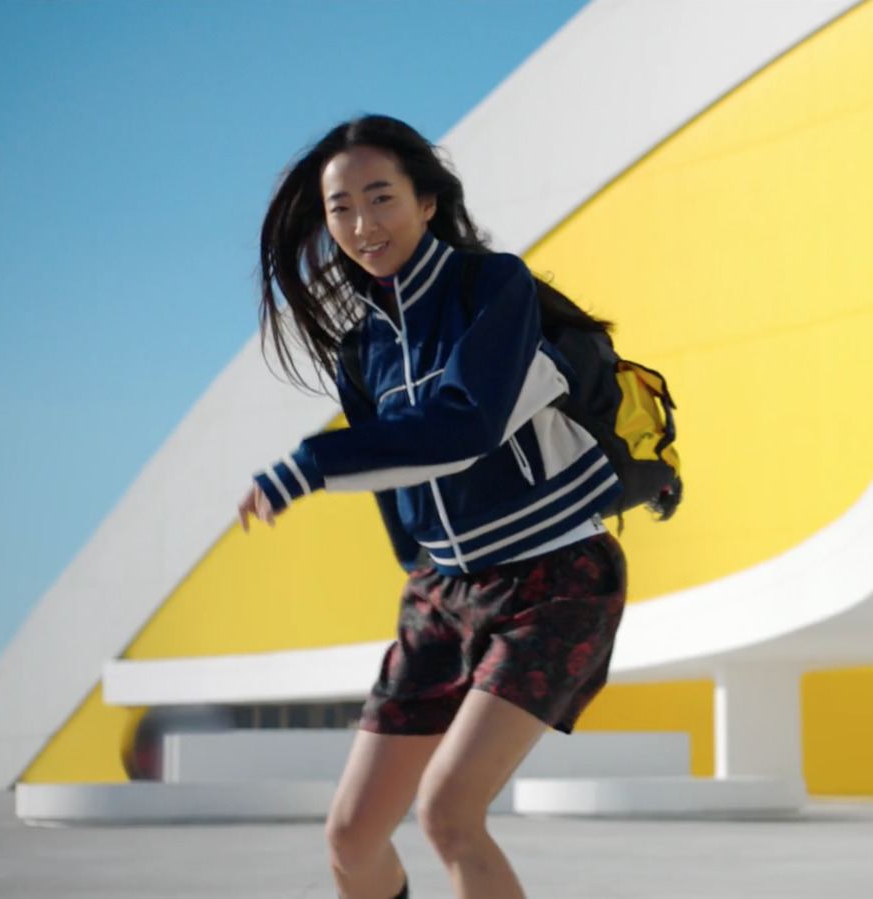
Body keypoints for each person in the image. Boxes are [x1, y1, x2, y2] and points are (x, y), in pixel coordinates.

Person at [238, 114, 628, 899]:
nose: (361, 224)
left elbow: (466, 425)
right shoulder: (362, 348)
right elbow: (394, 471)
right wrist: (422, 569)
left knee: (448, 813)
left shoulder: (494, 288)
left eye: (380, 198)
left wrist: (308, 466)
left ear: (426, 200)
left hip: (554, 580)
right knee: (350, 836)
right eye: (341, 208)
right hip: (442, 594)